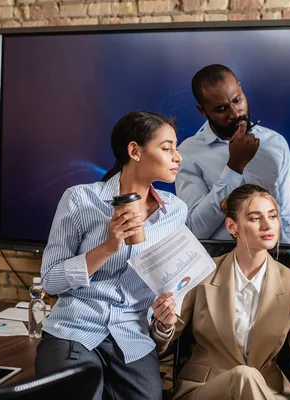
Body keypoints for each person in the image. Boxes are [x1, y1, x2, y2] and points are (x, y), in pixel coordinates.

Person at [36, 111, 186, 400]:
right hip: (74, 328)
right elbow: (51, 282)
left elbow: (165, 281)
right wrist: (108, 247)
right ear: (135, 151)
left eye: (175, 148)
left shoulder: (176, 211)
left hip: (131, 335)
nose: (177, 157)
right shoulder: (80, 199)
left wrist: (163, 320)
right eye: (166, 148)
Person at [151, 184, 290, 399]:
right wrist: (163, 325)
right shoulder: (201, 273)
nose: (268, 225)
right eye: (255, 218)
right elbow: (160, 349)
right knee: (243, 375)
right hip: (206, 388)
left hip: (269, 390)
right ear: (232, 226)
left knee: (247, 377)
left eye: (273, 216)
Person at [176, 64, 290, 244]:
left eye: (237, 100)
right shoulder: (188, 153)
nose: (235, 113)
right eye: (221, 109)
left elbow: (287, 214)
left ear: (241, 89)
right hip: (220, 265)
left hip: (272, 262)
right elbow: (196, 230)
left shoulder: (275, 143)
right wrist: (234, 167)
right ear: (203, 111)